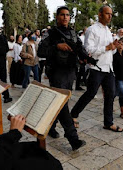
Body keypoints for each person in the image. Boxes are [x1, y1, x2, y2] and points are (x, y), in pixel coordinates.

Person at [38, 6, 86, 150]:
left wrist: (85, 57)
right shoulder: (50, 33)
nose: (65, 17)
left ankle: (51, 127)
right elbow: (41, 51)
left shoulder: (73, 33)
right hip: (57, 72)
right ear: (57, 17)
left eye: (67, 15)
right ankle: (73, 138)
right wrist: (57, 46)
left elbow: (80, 48)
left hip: (70, 72)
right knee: (62, 104)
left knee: (59, 103)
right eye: (62, 15)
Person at [70, 5, 123, 132]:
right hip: (96, 68)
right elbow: (88, 50)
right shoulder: (92, 30)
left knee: (110, 95)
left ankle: (108, 123)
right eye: (107, 13)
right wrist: (107, 48)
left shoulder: (108, 31)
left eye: (111, 14)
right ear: (100, 15)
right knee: (90, 93)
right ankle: (73, 114)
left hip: (108, 68)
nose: (110, 16)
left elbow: (110, 51)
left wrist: (115, 48)